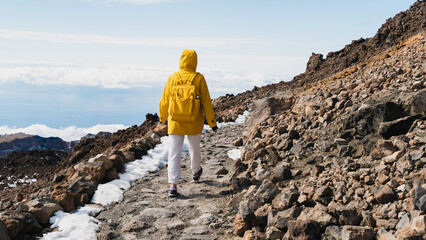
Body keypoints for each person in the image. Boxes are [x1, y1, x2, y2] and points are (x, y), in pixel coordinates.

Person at [159, 49, 218, 197]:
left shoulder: (173, 78)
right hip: (194, 122)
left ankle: (173, 185)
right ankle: (196, 171)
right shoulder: (199, 78)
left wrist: (162, 118)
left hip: (175, 122)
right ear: (195, 62)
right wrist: (212, 123)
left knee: (174, 153)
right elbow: (206, 102)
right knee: (194, 149)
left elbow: (164, 100)